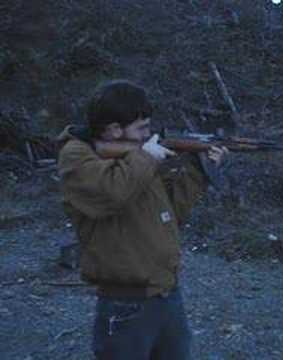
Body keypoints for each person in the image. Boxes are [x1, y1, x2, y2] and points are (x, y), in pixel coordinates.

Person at [57, 79, 228, 359]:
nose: (149, 135)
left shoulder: (137, 160)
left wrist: (199, 168)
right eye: (142, 128)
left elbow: (170, 214)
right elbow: (111, 194)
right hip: (125, 302)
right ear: (114, 130)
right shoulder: (77, 156)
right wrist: (147, 158)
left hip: (165, 291)